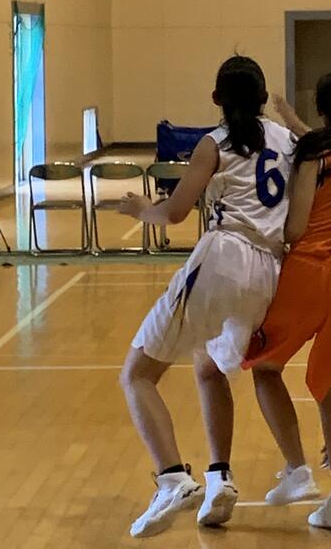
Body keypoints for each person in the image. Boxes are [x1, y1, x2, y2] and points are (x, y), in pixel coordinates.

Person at [118, 56, 293, 537]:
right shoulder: (287, 140)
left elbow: (175, 213)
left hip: (225, 257)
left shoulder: (213, 144)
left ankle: (172, 478)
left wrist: (141, 209)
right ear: (263, 97)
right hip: (270, 270)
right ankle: (219, 477)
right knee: (209, 366)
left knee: (137, 375)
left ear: (216, 98)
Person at [244, 70, 331, 531]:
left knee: (264, 367)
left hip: (312, 273)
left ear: (321, 107)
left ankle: (297, 469)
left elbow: (297, 226)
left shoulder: (315, 154)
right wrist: (291, 118)